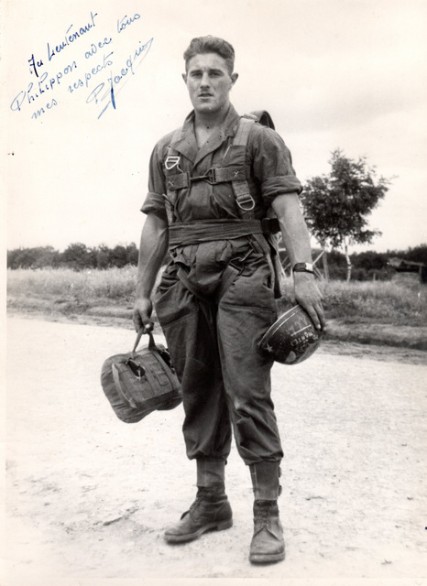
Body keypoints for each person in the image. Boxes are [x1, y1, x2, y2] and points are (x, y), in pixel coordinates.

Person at [133, 35, 325, 565]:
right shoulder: (166, 149)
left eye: (215, 73)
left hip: (244, 270)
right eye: (196, 74)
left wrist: (302, 272)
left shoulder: (260, 140)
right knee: (197, 389)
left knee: (246, 392)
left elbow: (288, 211)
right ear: (185, 80)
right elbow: (156, 224)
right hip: (182, 276)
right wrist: (142, 288)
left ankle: (268, 514)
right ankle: (211, 501)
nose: (205, 82)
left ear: (232, 80)